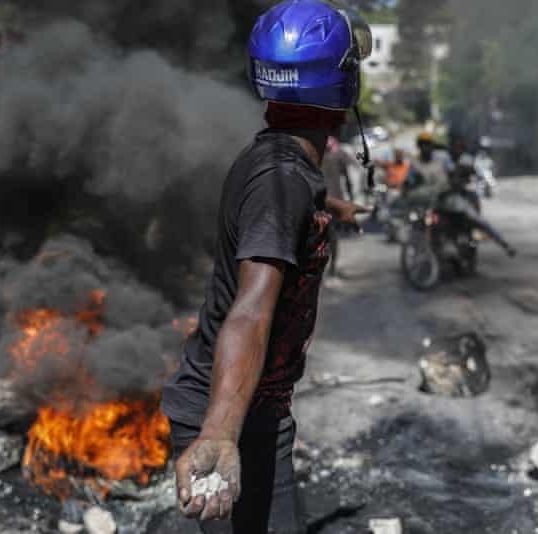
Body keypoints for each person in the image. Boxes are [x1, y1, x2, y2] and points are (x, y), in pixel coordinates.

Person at [160, 2, 371, 532]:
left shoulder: (284, 162)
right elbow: (250, 312)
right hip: (233, 413)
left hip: (253, 410)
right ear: (342, 85)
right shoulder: (283, 182)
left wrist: (333, 210)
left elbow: (295, 205)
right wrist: (220, 434)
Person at [321, 136, 359, 276]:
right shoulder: (339, 155)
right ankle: (332, 267)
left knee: (320, 234)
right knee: (333, 235)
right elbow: (348, 179)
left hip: (319, 200)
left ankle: (322, 266)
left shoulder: (315, 155)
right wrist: (351, 198)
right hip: (336, 200)